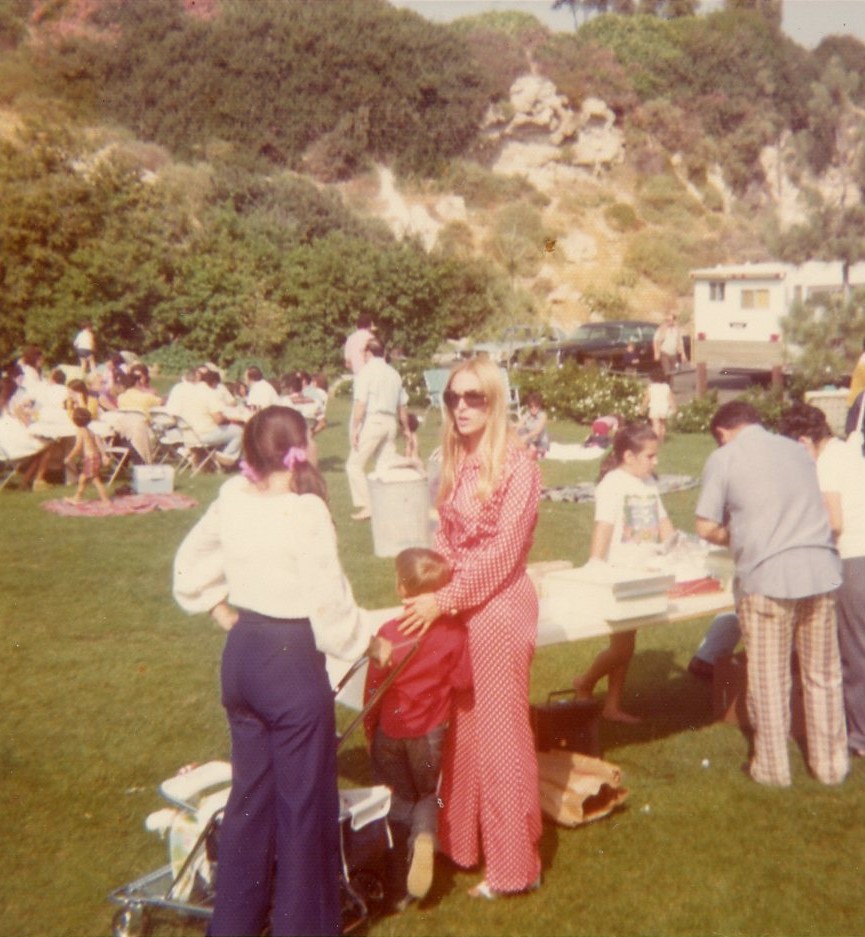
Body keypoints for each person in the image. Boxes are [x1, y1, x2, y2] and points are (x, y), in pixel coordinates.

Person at [172, 405, 388, 936]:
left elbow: (188, 566)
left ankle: (233, 926)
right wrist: (369, 641)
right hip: (289, 662)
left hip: (243, 657)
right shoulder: (305, 511)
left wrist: (222, 608)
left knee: (250, 803)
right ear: (300, 447)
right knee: (302, 813)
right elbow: (330, 607)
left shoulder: (232, 499)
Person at [399, 356, 543, 900]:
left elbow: (504, 553)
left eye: (473, 398)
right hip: (457, 606)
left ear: (495, 401)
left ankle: (516, 869)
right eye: (453, 398)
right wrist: (429, 588)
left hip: (500, 607)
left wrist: (449, 597)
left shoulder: (520, 466)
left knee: (503, 735)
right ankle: (462, 845)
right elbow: (445, 541)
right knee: (462, 727)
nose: (461, 407)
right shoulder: (456, 461)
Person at [695, 400, 848, 787]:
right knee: (823, 675)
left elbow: (705, 526)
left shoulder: (725, 457)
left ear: (723, 433)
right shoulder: (797, 450)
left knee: (769, 677)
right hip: (820, 570)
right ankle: (831, 766)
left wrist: (740, 535)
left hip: (768, 579)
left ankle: (773, 770)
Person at [363, 548, 471, 911]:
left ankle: (398, 873)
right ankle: (425, 837)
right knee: (429, 795)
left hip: (391, 731)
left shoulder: (388, 633)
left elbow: (373, 689)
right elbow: (463, 679)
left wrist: (370, 729)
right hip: (430, 734)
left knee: (395, 795)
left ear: (401, 589)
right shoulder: (455, 635)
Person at [571, 423, 676, 723]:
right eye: (650, 456)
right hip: (620, 573)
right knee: (622, 648)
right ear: (628, 456)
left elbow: (663, 519)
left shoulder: (648, 483)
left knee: (625, 645)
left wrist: (675, 547)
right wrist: (595, 563)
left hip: (645, 571)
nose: (656, 462)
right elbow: (603, 526)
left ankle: (611, 705)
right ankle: (586, 681)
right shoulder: (613, 484)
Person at [778, 403, 865, 759]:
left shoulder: (827, 463)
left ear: (803, 441)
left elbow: (834, 522)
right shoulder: (848, 450)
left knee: (854, 653)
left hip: (852, 559)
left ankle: (858, 737)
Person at [345, 338, 410, 521]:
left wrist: (356, 428)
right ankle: (388, 504)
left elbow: (361, 404)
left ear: (368, 353)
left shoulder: (365, 373)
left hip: (373, 421)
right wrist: (405, 429)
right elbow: (402, 406)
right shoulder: (393, 373)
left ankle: (368, 505)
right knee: (384, 466)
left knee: (354, 465)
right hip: (390, 422)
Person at [64, 406, 110, 505]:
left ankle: (106, 500)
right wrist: (103, 455)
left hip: (90, 458)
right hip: (95, 457)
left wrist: (69, 457)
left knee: (95, 480)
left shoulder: (80, 431)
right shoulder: (90, 431)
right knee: (82, 479)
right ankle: (77, 498)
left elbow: (78, 446)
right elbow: (99, 443)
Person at [642, 366, 677, 441]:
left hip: (655, 408)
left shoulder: (651, 388)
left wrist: (642, 409)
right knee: (663, 425)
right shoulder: (666, 387)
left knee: (656, 425)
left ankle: (656, 439)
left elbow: (646, 399)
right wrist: (674, 408)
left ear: (651, 378)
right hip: (664, 408)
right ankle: (662, 438)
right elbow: (670, 399)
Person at [516, 391, 550, 458]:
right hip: (531, 441)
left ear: (539, 406)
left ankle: (536, 451)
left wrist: (526, 436)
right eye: (531, 407)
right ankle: (530, 448)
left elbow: (538, 430)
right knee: (521, 429)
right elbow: (518, 425)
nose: (533, 408)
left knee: (537, 452)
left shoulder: (543, 415)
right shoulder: (527, 414)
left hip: (541, 441)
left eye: (536, 406)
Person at [652, 312, 687, 377]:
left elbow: (680, 342)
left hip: (674, 354)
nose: (668, 322)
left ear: (674, 320)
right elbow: (655, 340)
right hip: (664, 353)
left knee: (675, 371)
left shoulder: (677, 329)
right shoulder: (661, 329)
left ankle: (671, 386)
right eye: (667, 320)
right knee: (667, 372)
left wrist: (683, 354)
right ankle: (667, 386)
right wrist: (656, 352)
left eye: (670, 320)